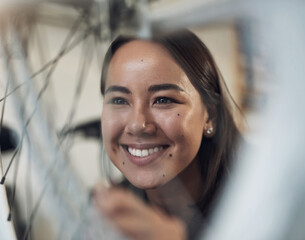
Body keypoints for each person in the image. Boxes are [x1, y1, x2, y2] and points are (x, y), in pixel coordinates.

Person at [94, 29, 241, 240]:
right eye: (119, 100)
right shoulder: (108, 220)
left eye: (163, 100)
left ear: (210, 116)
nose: (137, 124)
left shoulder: (260, 206)